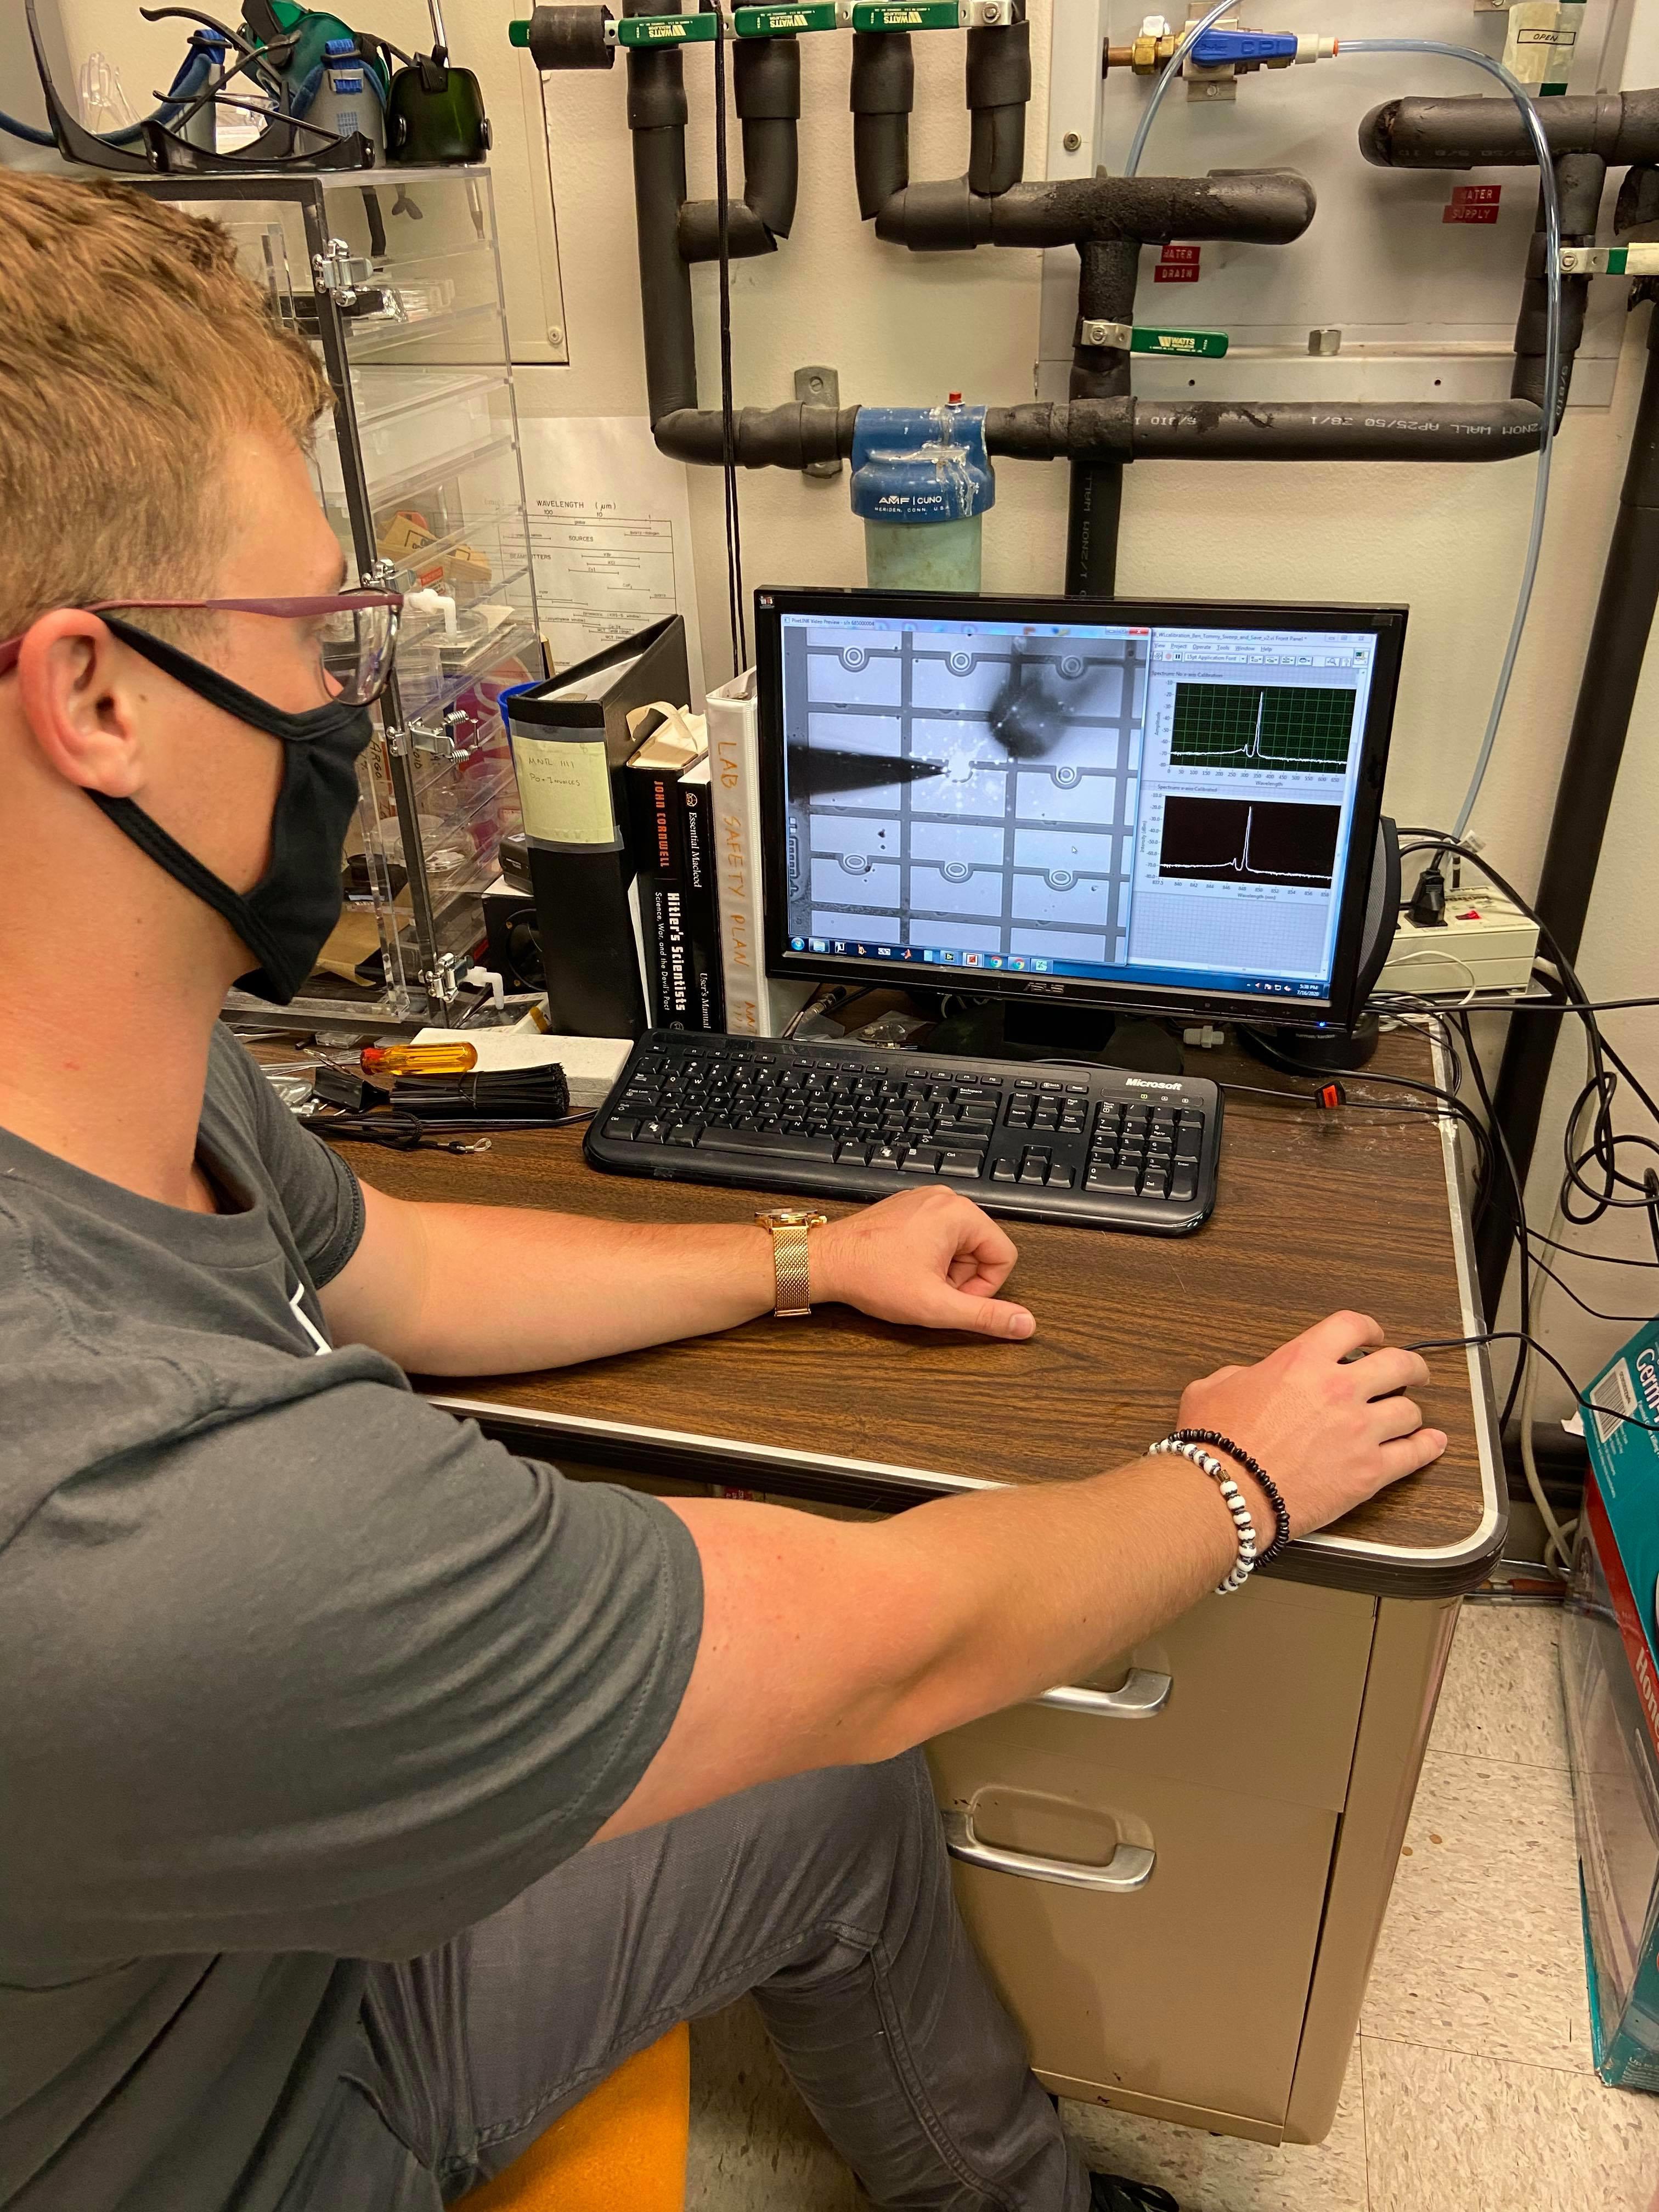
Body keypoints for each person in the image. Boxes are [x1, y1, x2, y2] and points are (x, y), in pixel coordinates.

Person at [0, 172, 1447, 2212]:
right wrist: (1240, 1483)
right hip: (236, 2126)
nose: (365, 696)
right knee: (848, 1720)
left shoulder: (114, 1081)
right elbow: (878, 1645)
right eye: (320, 627)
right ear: (100, 695)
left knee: (831, 1805)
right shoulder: (131, 1513)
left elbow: (393, 1262)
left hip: (220, 1931)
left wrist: (805, 1253)